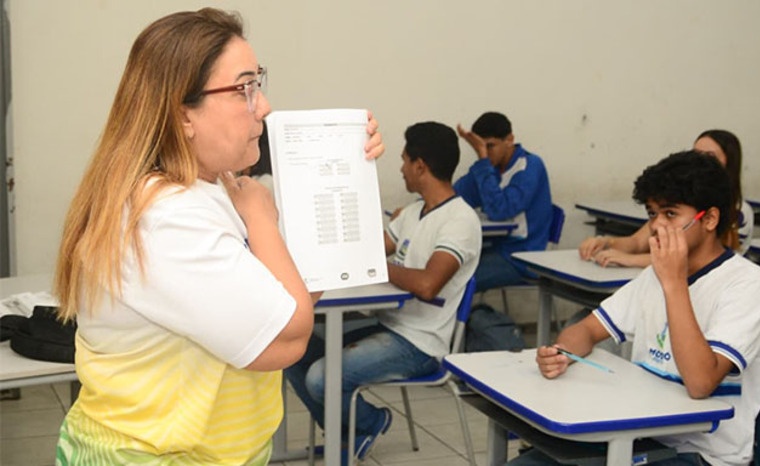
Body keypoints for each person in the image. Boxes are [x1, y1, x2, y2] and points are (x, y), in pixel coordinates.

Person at [52, 8, 384, 464]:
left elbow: (286, 298)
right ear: (183, 114)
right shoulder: (165, 215)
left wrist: (345, 176)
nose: (263, 105)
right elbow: (286, 338)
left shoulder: (210, 187)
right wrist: (261, 219)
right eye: (244, 88)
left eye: (259, 83)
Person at [509, 151, 760, 466]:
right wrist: (560, 353)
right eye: (652, 214)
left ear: (709, 219)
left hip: (702, 453)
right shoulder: (655, 276)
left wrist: (675, 283)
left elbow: (701, 383)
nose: (656, 226)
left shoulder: (750, 286)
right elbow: (587, 328)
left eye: (670, 214)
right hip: (639, 433)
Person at [285, 121, 481, 462]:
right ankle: (348, 434)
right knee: (292, 350)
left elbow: (426, 284)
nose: (401, 169)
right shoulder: (414, 213)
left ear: (421, 166)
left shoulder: (460, 221)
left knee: (321, 378)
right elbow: (370, 248)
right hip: (390, 324)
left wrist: (376, 265)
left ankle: (371, 421)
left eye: (405, 160)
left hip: (421, 342)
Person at [579, 129, 753, 267]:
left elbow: (693, 260)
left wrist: (629, 260)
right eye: (695, 153)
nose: (699, 161)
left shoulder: (738, 211)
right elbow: (637, 242)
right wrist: (605, 243)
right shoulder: (677, 203)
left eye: (709, 156)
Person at [453, 111, 552, 292]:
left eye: (490, 146)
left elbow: (500, 210)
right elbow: (453, 196)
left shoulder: (529, 166)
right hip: (493, 247)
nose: (485, 153)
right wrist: (419, 206)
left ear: (509, 140)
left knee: (458, 281)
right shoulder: (490, 169)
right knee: (444, 269)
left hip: (522, 256)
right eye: (480, 148)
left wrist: (483, 160)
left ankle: (462, 321)